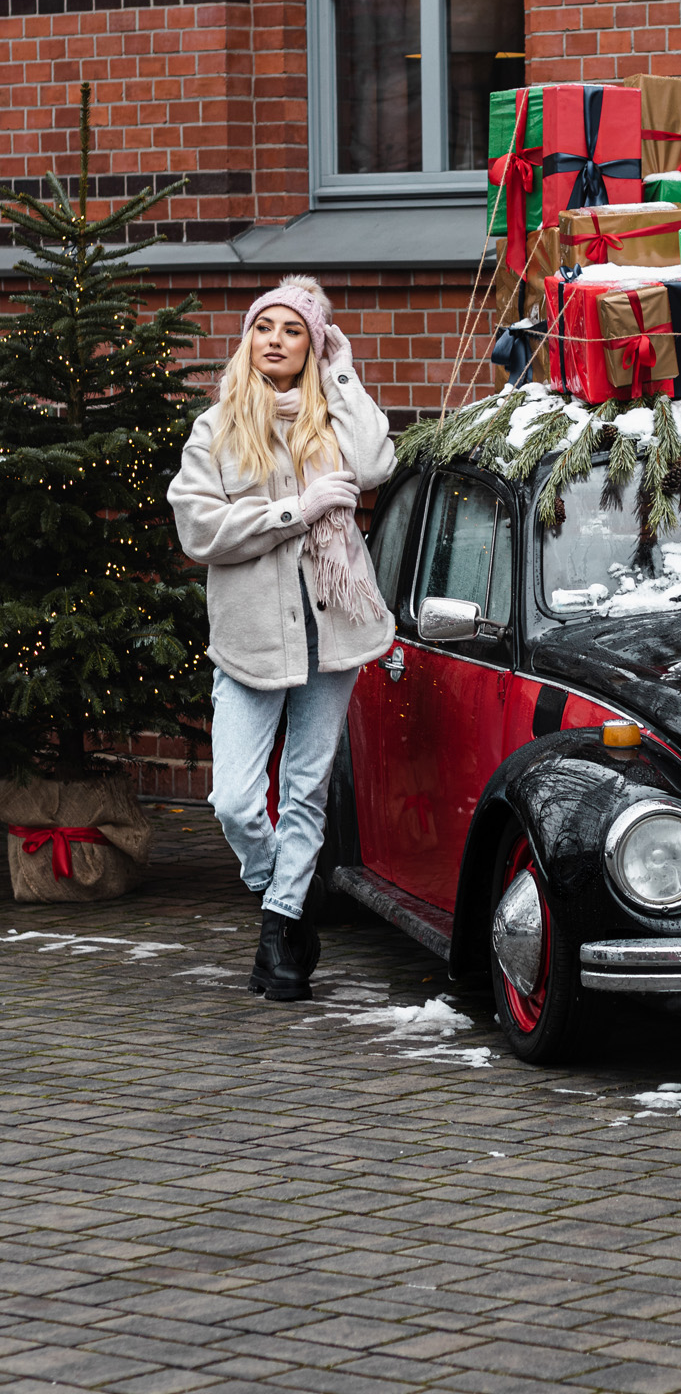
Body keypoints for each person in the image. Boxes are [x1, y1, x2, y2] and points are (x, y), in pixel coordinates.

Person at [168, 276, 396, 1001]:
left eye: (293, 330)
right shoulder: (217, 428)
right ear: (248, 340)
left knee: (304, 787)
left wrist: (342, 369)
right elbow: (200, 530)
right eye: (264, 326)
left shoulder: (333, 413)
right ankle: (285, 900)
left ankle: (281, 937)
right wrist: (293, 512)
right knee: (234, 800)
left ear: (312, 343)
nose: (275, 339)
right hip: (250, 638)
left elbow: (376, 463)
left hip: (335, 625)